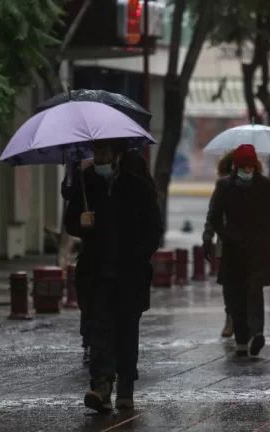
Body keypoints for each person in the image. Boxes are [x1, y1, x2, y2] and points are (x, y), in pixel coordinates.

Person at [65, 141, 163, 412]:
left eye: (104, 153)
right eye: (96, 153)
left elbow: (154, 228)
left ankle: (126, 387)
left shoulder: (137, 186)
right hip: (97, 273)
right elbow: (70, 220)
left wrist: (139, 255)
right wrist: (80, 224)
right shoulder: (86, 184)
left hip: (129, 275)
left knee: (126, 332)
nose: (99, 159)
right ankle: (101, 385)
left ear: (116, 155)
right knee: (99, 329)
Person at [206, 144, 270, 358]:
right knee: (236, 295)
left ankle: (257, 334)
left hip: (257, 250)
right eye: (244, 167)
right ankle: (241, 340)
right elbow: (214, 216)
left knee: (255, 293)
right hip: (233, 250)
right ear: (236, 167)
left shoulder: (265, 186)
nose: (248, 171)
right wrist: (223, 235)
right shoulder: (224, 186)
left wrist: (264, 236)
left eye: (250, 167)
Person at [61, 158, 94, 364]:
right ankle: (89, 341)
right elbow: (66, 193)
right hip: (91, 254)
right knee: (89, 300)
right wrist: (76, 173)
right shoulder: (80, 169)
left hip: (118, 257)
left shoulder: (127, 174)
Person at [202, 150, 235, 338]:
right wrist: (208, 237)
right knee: (228, 283)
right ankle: (230, 318)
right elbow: (212, 213)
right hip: (226, 242)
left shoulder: (257, 185)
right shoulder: (222, 186)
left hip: (250, 244)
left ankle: (248, 322)